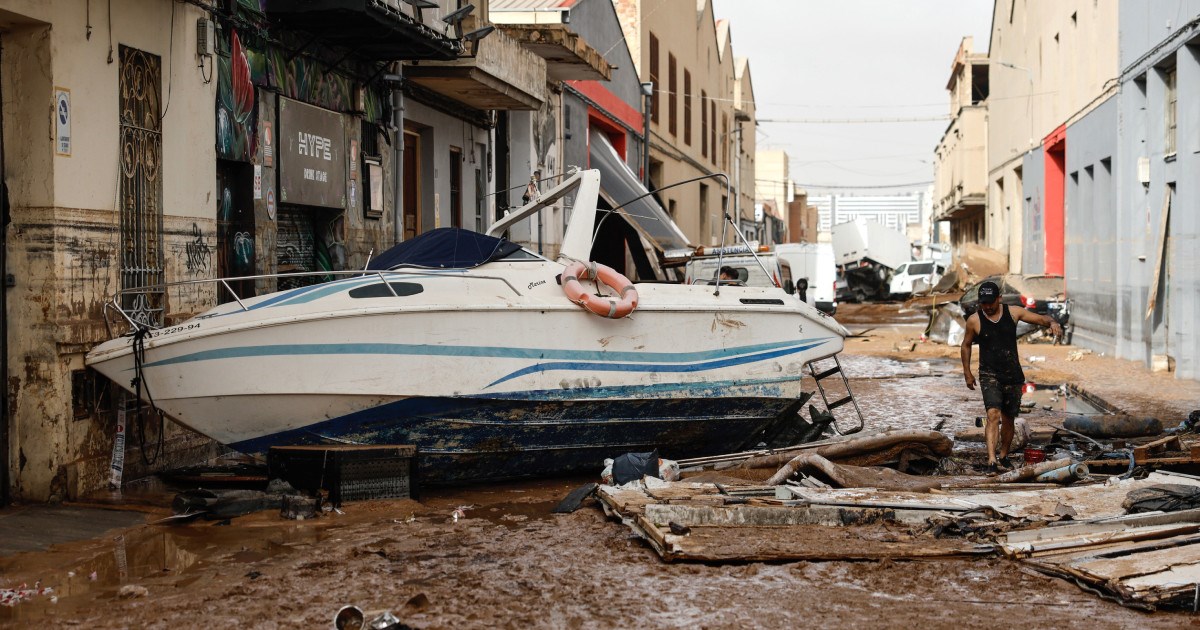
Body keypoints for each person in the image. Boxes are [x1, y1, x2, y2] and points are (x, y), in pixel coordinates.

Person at [960, 281, 1062, 474]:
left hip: (1013, 374)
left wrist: (1053, 323)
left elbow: (1041, 319)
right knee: (992, 415)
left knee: (1008, 419)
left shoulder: (1014, 313)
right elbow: (965, 345)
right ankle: (991, 460)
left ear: (999, 298)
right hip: (989, 374)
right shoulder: (974, 320)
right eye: (984, 303)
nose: (987, 307)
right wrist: (967, 372)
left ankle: (1004, 456)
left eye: (991, 302)